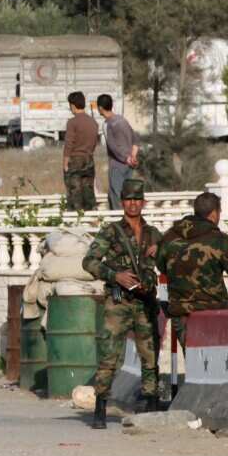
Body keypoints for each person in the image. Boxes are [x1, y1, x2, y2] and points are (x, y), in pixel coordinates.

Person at [82, 179, 164, 428]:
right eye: (128, 199)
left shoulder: (153, 234)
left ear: (144, 202)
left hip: (145, 301)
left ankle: (150, 404)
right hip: (118, 302)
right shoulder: (111, 231)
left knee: (150, 356)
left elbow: (170, 261)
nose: (133, 204)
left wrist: (160, 250)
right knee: (109, 355)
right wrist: (114, 275)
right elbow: (89, 262)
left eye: (137, 199)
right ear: (122, 202)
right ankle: (100, 408)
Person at [157, 192, 228, 349]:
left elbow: (161, 266)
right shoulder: (221, 240)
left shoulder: (169, 237)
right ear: (214, 213)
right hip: (214, 313)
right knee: (218, 366)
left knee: (194, 364)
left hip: (181, 312)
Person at [99, 94, 138, 211]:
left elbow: (113, 146)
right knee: (127, 195)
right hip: (130, 165)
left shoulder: (107, 124)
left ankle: (120, 225)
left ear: (100, 108)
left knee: (116, 196)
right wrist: (133, 157)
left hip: (117, 165)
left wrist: (126, 158)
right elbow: (135, 139)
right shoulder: (122, 120)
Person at [63, 92, 99, 212]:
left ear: (72, 105)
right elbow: (94, 142)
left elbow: (69, 144)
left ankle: (75, 219)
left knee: (74, 192)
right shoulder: (93, 122)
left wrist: (65, 162)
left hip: (75, 160)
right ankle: (91, 216)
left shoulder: (72, 122)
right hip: (89, 159)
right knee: (88, 191)